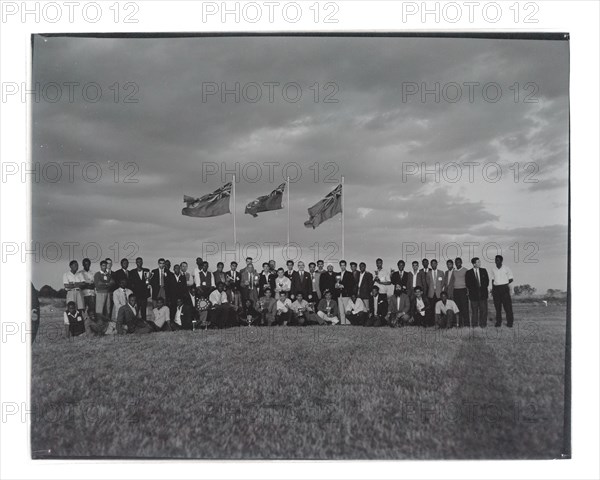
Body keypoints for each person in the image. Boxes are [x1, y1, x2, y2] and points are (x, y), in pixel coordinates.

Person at [491, 255, 515, 328]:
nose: (496, 261)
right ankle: (498, 322)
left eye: (498, 260)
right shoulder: (493, 269)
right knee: (498, 308)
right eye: (495, 260)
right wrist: (493, 289)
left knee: (507, 307)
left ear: (501, 261)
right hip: (496, 289)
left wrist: (504, 282)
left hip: (504, 288)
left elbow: (511, 279)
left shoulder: (506, 268)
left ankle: (510, 323)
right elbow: (492, 280)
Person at [465, 257, 489, 328]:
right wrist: (475, 289)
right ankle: (474, 326)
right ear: (474, 264)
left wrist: (481, 288)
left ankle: (483, 325)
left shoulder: (484, 270)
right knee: (474, 311)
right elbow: (468, 284)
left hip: (483, 294)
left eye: (480, 262)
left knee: (483, 310)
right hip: (473, 295)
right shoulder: (468, 272)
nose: (479, 263)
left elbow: (487, 282)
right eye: (478, 262)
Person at [129, 257, 150, 322]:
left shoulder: (147, 270)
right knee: (136, 311)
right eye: (138, 262)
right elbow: (131, 283)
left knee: (144, 310)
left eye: (140, 261)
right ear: (136, 263)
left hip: (144, 294)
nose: (139, 263)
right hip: (136, 295)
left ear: (142, 262)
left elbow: (149, 281)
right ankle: (135, 324)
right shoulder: (132, 272)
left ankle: (144, 323)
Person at [336, 260, 356, 325]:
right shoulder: (337, 274)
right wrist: (336, 285)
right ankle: (342, 323)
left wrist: (344, 286)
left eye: (344, 265)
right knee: (341, 310)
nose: (342, 267)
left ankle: (348, 323)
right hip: (339, 294)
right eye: (341, 265)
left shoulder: (349, 274)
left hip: (346, 294)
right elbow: (336, 283)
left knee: (346, 310)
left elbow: (352, 284)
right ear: (339, 266)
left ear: (346, 266)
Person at [452, 257, 470, 328]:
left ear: (461, 262)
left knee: (465, 308)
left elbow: (468, 282)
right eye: (456, 262)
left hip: (463, 290)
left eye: (459, 262)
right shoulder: (454, 271)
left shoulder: (465, 270)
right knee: (458, 308)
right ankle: (460, 324)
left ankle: (467, 324)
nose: (457, 263)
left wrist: (468, 291)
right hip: (455, 291)